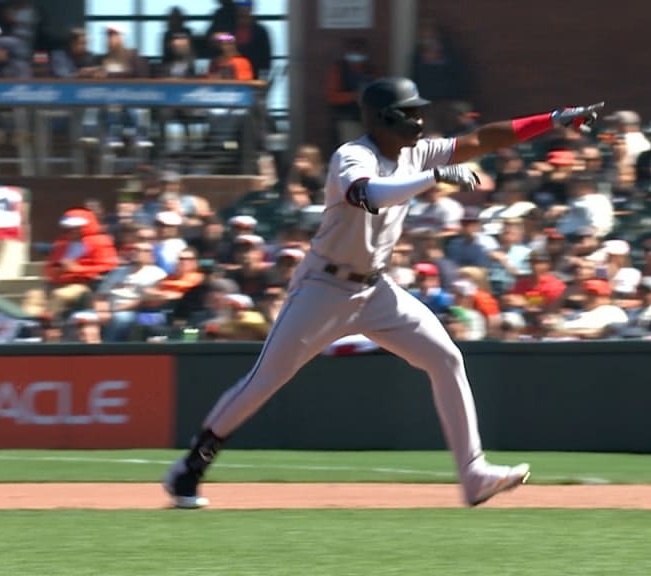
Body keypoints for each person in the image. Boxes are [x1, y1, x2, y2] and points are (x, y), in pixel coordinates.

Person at [163, 76, 604, 508]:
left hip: (376, 289)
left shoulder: (416, 153)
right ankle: (190, 468)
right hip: (323, 287)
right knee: (264, 381)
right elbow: (368, 194)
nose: (418, 120)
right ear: (384, 118)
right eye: (410, 113)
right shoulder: (352, 155)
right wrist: (433, 177)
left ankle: (473, 475)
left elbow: (481, 140)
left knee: (446, 358)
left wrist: (552, 119)